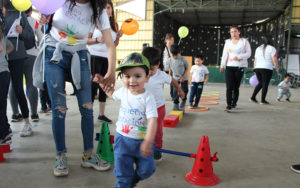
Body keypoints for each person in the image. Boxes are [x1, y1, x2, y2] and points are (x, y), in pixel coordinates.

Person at [35, 0, 116, 177]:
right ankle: (61, 155)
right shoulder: (61, 1)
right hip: (53, 50)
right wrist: (44, 17)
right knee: (59, 108)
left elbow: (110, 42)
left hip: (79, 54)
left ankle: (88, 155)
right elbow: (46, 13)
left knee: (87, 106)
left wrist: (111, 71)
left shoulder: (99, 9)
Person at [94, 53, 158, 188]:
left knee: (147, 170)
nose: (132, 80)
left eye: (137, 76)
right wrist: (101, 83)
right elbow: (111, 94)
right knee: (122, 175)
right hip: (122, 141)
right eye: (127, 76)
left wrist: (148, 140)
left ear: (147, 77)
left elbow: (152, 120)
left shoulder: (148, 97)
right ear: (122, 77)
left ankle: (132, 181)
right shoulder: (123, 91)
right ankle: (124, 184)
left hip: (142, 142)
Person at [142, 47, 185, 161]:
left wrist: (180, 90)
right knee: (141, 128)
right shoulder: (139, 74)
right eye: (147, 68)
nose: (149, 72)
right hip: (142, 108)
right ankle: (142, 147)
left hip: (158, 108)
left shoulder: (161, 75)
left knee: (157, 130)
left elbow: (173, 81)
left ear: (158, 64)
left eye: (152, 69)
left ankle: (157, 150)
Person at [2, 0, 35, 136]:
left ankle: (27, 122)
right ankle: (4, 125)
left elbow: (30, 35)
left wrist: (22, 31)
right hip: (2, 58)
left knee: (18, 88)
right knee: (2, 93)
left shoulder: (18, 13)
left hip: (17, 55)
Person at [87, 0, 122, 124]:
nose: (106, 10)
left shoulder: (114, 26)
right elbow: (86, 40)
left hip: (107, 58)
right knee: (93, 85)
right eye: (104, 8)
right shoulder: (94, 23)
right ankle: (88, 113)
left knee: (105, 85)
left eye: (108, 8)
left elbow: (114, 45)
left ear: (112, 11)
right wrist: (98, 39)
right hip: (95, 57)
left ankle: (101, 114)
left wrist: (118, 37)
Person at [8, 6, 43, 122]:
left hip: (14, 54)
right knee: (31, 84)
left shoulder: (10, 17)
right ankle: (33, 113)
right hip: (31, 54)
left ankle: (15, 113)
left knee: (14, 84)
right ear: (30, 11)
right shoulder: (34, 22)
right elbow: (40, 37)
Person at [220, 26, 251, 112]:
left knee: (236, 87)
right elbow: (225, 54)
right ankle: (228, 105)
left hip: (239, 67)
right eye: (231, 32)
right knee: (229, 87)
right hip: (229, 67)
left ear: (239, 32)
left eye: (235, 31)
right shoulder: (228, 42)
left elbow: (249, 53)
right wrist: (222, 65)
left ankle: (234, 103)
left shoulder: (244, 42)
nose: (233, 33)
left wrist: (239, 57)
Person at [250, 36, 279, 104]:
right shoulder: (272, 48)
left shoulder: (258, 48)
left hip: (258, 68)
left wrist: (254, 68)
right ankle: (263, 100)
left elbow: (255, 60)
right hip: (267, 68)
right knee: (265, 84)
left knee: (260, 83)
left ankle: (253, 97)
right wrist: (277, 68)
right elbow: (274, 59)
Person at [0, 11, 14, 144]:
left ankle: (4, 133)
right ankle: (6, 130)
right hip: (4, 72)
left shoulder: (1, 37)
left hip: (2, 73)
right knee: (2, 105)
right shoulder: (3, 37)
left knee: (1, 105)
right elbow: (11, 47)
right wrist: (4, 54)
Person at [169, 44, 189, 110]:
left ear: (179, 52)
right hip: (175, 77)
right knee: (175, 91)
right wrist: (169, 76)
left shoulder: (183, 59)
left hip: (184, 78)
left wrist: (183, 76)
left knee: (184, 90)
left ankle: (183, 101)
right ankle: (176, 103)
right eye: (173, 55)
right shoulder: (170, 59)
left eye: (176, 55)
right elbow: (170, 68)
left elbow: (187, 68)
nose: (174, 57)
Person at [161, 33, 175, 98]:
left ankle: (173, 95)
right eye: (169, 39)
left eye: (172, 40)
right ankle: (159, 94)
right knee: (160, 82)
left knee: (172, 82)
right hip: (163, 68)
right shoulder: (162, 47)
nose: (171, 41)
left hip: (172, 68)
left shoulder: (174, 48)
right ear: (166, 40)